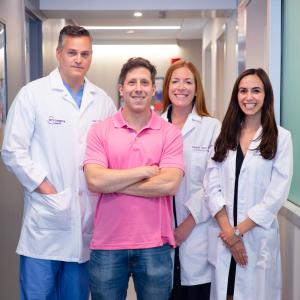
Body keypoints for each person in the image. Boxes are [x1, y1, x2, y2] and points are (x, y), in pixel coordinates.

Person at [1, 25, 116, 300]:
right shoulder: (33, 94)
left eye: (85, 54)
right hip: (45, 223)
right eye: (72, 52)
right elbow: (12, 151)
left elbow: (112, 154)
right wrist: (47, 190)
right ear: (59, 54)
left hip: (86, 224)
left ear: (91, 57)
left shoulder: (103, 102)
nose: (79, 59)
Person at [83, 57, 184, 300]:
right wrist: (143, 171)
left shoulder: (169, 133)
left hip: (155, 245)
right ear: (121, 88)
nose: (138, 88)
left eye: (144, 82)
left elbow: (169, 184)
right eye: (131, 82)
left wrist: (114, 183)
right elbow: (94, 181)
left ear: (153, 89)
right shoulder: (100, 130)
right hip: (107, 244)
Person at [204, 68, 293, 300]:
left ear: (266, 96)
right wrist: (229, 233)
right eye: (243, 91)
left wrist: (237, 233)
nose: (248, 97)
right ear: (236, 96)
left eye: (256, 90)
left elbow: (276, 195)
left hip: (255, 239)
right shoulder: (223, 135)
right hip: (225, 238)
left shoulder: (281, 138)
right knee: (227, 293)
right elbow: (211, 186)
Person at [161, 60, 220, 300]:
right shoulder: (153, 125)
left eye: (188, 81)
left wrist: (187, 225)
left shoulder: (211, 127)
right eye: (175, 81)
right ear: (167, 87)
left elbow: (214, 182)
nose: (181, 87)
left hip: (197, 233)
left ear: (197, 89)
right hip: (159, 234)